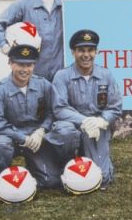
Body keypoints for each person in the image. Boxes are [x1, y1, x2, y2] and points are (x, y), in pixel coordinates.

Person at [0, 44, 73, 188]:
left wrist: (41, 131)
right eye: (20, 64)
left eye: (29, 65)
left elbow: (53, 112)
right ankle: (4, 177)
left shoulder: (43, 85)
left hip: (36, 140)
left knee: (50, 182)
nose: (25, 70)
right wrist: (22, 138)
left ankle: (45, 168)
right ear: (10, 63)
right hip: (13, 138)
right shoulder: (0, 89)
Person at [51, 30, 122, 190]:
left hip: (96, 128)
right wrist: (84, 121)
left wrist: (101, 121)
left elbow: (115, 106)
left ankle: (90, 156)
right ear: (73, 52)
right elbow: (59, 108)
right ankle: (67, 164)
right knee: (64, 131)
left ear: (96, 52)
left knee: (103, 178)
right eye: (81, 50)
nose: (86, 55)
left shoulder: (106, 75)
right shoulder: (62, 76)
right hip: (73, 126)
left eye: (90, 50)